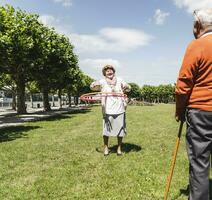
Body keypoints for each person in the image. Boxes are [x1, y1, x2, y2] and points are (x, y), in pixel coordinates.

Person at [175, 8, 212, 200]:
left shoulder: (197, 45)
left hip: (201, 111)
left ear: (198, 25)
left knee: (199, 162)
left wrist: (180, 110)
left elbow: (183, 84)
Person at [90, 65, 131, 156]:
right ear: (104, 73)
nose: (109, 72)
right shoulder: (102, 81)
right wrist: (94, 84)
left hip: (120, 108)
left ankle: (119, 148)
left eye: (111, 70)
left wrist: (126, 86)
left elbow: (128, 88)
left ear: (114, 72)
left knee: (120, 130)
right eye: (107, 71)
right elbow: (92, 87)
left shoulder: (119, 80)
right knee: (106, 130)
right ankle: (106, 148)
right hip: (107, 109)